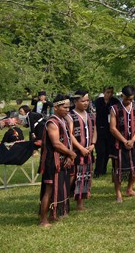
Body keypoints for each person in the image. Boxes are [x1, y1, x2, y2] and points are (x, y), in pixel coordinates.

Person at [39, 94, 76, 227]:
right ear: (56, 107)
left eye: (68, 107)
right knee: (48, 190)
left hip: (61, 160)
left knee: (59, 188)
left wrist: (69, 156)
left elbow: (68, 140)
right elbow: (56, 143)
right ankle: (43, 220)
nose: (67, 109)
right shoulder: (52, 122)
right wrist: (71, 153)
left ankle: (53, 215)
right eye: (64, 107)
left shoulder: (63, 121)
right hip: (51, 161)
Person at [110, 85, 135, 202]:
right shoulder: (115, 108)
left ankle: (129, 189)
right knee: (119, 169)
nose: (129, 101)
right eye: (127, 98)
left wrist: (133, 139)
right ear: (122, 95)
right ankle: (118, 193)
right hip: (119, 144)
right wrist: (124, 141)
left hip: (133, 142)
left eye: (131, 99)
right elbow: (113, 128)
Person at [67, 89, 96, 211]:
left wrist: (93, 144)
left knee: (86, 176)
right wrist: (80, 148)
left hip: (89, 151)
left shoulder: (91, 115)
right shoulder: (70, 116)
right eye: (82, 100)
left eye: (87, 100)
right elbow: (70, 134)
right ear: (75, 101)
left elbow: (95, 130)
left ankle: (80, 203)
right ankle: (63, 200)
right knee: (73, 177)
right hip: (76, 152)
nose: (85, 103)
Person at [93, 86, 118, 177]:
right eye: (107, 92)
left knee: (108, 151)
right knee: (100, 151)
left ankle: (104, 169)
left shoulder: (115, 101)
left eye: (111, 92)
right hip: (100, 128)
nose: (109, 94)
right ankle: (98, 171)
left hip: (110, 129)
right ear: (104, 92)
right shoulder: (99, 101)